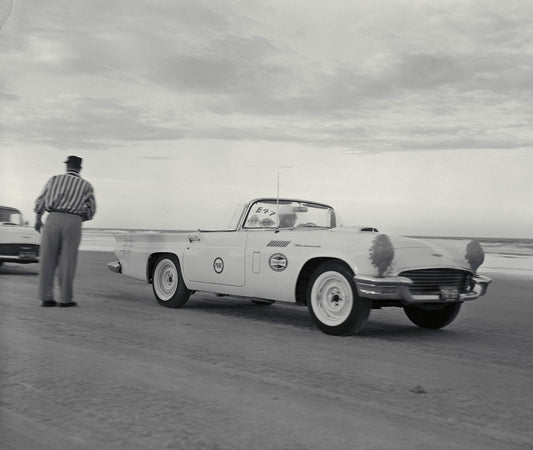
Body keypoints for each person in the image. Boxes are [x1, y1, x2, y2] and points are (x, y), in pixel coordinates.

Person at [34, 156, 96, 307]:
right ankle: (65, 299)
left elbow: (41, 201)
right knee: (68, 260)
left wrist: (38, 218)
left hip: (53, 218)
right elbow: (91, 209)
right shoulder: (86, 185)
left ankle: (46, 298)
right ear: (79, 168)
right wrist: (79, 219)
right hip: (73, 220)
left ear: (67, 166)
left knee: (47, 258)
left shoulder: (54, 179)